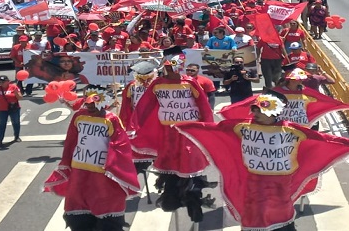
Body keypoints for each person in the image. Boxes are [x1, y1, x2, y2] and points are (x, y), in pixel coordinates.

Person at [175, 91, 349, 231]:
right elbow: (216, 130)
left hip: (279, 187)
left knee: (280, 219)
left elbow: (321, 140)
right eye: (254, 110)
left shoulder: (291, 130)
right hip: (253, 186)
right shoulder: (243, 127)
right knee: (254, 217)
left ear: (274, 112)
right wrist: (186, 127)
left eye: (260, 110)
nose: (255, 113)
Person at [130, 54, 216, 222]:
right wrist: (135, 125)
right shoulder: (158, 84)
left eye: (171, 67)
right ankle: (173, 195)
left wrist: (207, 127)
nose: (168, 70)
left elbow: (204, 106)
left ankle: (193, 197)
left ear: (179, 67)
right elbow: (144, 106)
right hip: (167, 132)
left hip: (189, 131)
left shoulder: (190, 83)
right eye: (166, 67)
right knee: (171, 163)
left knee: (189, 162)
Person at [44, 85, 139, 231]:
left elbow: (121, 144)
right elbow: (71, 141)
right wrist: (66, 163)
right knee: (79, 206)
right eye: (87, 103)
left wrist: (113, 165)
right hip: (80, 170)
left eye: (92, 103)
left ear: (100, 102)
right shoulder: (79, 116)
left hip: (102, 172)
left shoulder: (111, 119)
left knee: (105, 203)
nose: (89, 106)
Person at [0, 75, 23, 148]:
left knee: (16, 122)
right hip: (2, 109)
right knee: (1, 124)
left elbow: (20, 98)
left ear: (8, 81)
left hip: (14, 108)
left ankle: (16, 136)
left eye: (3, 82)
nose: (1, 83)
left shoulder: (13, 87)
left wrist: (16, 93)